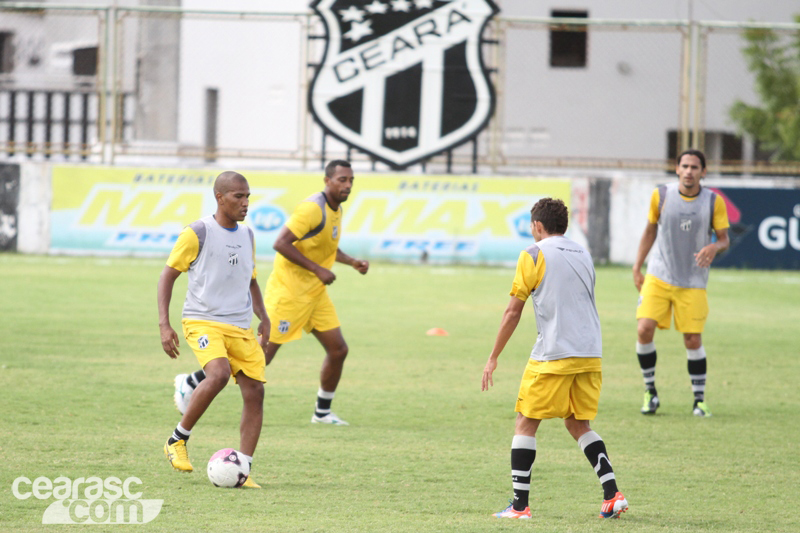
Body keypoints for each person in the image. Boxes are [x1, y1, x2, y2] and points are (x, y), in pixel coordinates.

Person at [173, 160, 369, 426]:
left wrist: (352, 262)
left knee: (338, 349)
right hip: (289, 293)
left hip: (316, 295)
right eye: (342, 179)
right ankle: (191, 381)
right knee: (259, 358)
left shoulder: (336, 210)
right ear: (327, 181)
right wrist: (317, 269)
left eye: (351, 180)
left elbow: (327, 248)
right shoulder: (312, 209)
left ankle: (322, 412)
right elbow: (281, 243)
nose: (347, 185)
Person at [482, 198, 628, 520]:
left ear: (537, 225)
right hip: (590, 353)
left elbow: (512, 311)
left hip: (554, 353)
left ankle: (519, 506)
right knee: (578, 423)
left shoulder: (533, 254)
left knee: (525, 422)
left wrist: (493, 356)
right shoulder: (583, 253)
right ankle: (612, 494)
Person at [159, 171, 269, 489]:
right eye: (238, 196)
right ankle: (177, 440)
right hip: (202, 319)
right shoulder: (198, 232)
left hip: (240, 324)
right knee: (218, 374)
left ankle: (242, 469)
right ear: (220, 197)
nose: (245, 203)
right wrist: (164, 324)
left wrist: (263, 316)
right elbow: (167, 276)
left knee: (255, 392)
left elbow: (250, 279)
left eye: (248, 197)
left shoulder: (247, 235)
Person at [632, 149, 729, 417]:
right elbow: (650, 230)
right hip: (659, 274)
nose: (689, 171)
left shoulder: (714, 201)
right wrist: (637, 266)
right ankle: (650, 392)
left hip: (693, 280)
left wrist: (714, 247)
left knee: (692, 339)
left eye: (694, 167)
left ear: (703, 172)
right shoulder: (661, 195)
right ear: (677, 169)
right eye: (684, 166)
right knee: (644, 329)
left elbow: (724, 239)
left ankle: (699, 400)